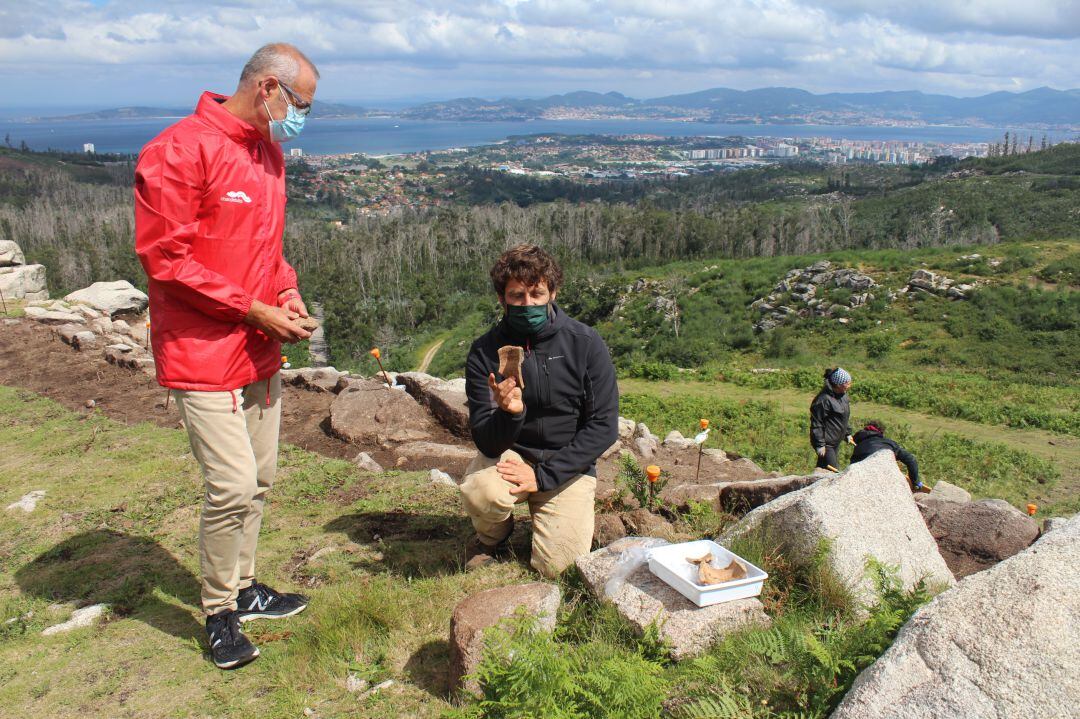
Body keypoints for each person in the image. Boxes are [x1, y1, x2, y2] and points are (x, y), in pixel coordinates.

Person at [134, 43, 319, 670]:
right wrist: (251, 307)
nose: (301, 120)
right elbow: (166, 258)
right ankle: (218, 612)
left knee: (259, 481)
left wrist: (286, 291)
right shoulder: (180, 150)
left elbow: (268, 246)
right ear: (268, 88)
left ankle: (244, 587)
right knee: (232, 484)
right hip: (201, 349)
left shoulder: (268, 153)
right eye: (301, 105)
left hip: (258, 346)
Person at [460, 244, 619, 578]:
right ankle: (493, 537)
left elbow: (604, 425)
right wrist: (509, 412)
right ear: (502, 299)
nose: (528, 304)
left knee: (559, 568)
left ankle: (548, 515)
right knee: (481, 492)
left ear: (553, 293)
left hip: (567, 464)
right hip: (512, 457)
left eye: (537, 294)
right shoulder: (484, 351)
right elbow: (487, 443)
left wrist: (543, 477)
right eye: (517, 296)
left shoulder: (585, 343)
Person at [851, 421, 928, 492]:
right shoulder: (889, 443)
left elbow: (853, 469)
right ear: (880, 433)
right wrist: (915, 482)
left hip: (864, 481)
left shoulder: (858, 448)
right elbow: (911, 460)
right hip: (886, 477)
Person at [810, 367, 853, 471]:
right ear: (838, 384)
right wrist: (820, 445)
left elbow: (843, 417)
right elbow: (817, 423)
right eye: (846, 383)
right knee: (833, 472)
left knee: (822, 470)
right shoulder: (823, 400)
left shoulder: (843, 396)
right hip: (826, 444)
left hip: (835, 442)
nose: (849, 385)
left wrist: (847, 433)